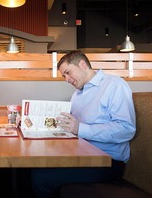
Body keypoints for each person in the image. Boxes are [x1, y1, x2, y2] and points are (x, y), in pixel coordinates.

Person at [31, 50, 136, 198]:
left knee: (40, 178)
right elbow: (73, 127)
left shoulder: (114, 85)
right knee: (30, 167)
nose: (66, 79)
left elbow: (126, 129)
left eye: (68, 73)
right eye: (63, 76)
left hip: (107, 161)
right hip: (80, 155)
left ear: (82, 64)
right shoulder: (77, 94)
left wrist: (79, 128)